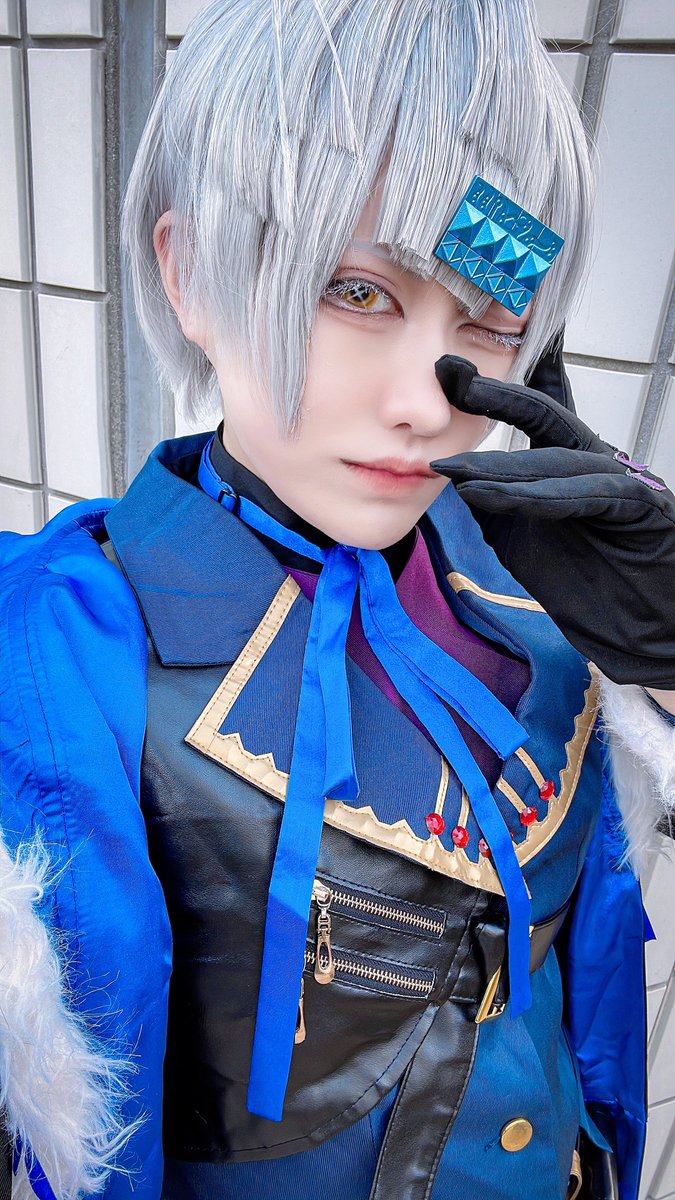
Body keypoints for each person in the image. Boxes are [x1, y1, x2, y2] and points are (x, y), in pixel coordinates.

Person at [1, 2, 674, 1199]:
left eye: (490, 321)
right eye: (358, 292)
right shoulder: (61, 644)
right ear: (188, 272)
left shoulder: (555, 581)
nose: (427, 403)